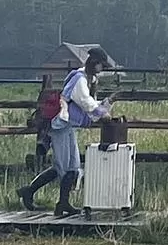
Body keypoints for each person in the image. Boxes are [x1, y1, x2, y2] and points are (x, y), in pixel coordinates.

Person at [18, 46, 113, 217]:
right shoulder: (80, 79)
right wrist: (102, 114)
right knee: (63, 166)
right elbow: (85, 102)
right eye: (101, 65)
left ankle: (59, 202)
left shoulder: (88, 80)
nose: (102, 69)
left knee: (73, 166)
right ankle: (36, 194)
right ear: (94, 62)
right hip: (60, 124)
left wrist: (105, 106)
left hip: (68, 125)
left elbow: (90, 101)